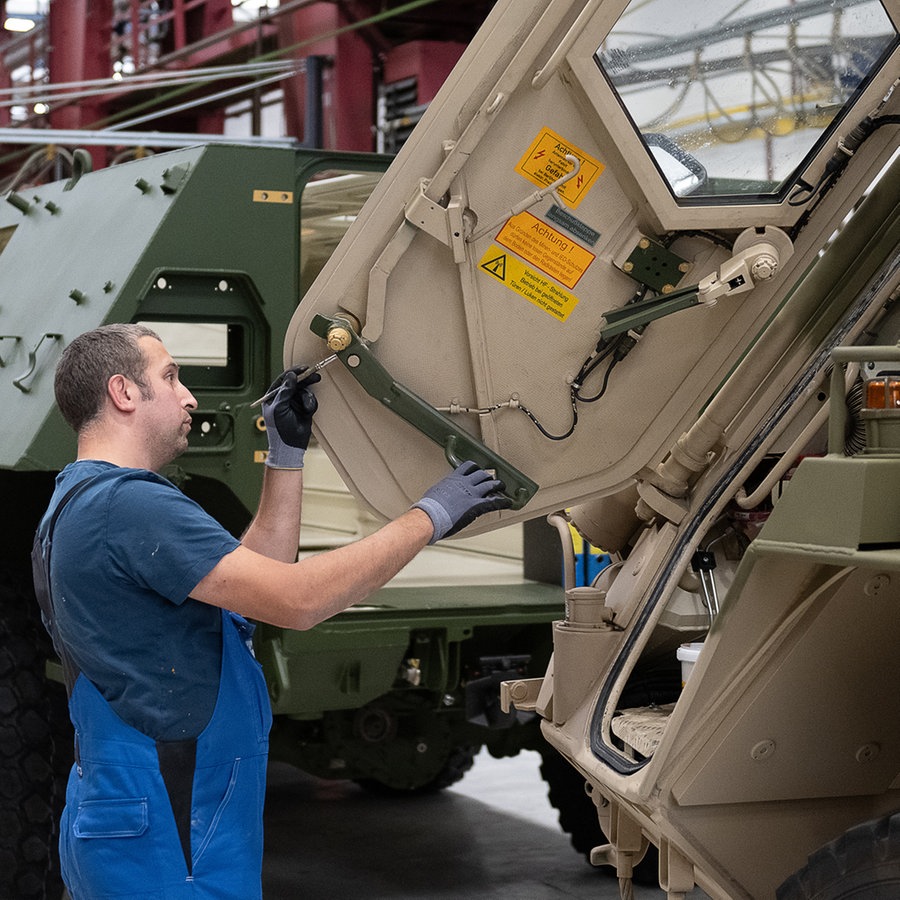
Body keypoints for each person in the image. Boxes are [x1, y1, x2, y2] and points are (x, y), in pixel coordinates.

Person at [33, 323, 511, 899]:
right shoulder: (130, 505)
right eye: (170, 377)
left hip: (136, 817)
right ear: (123, 392)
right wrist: (431, 515)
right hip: (169, 835)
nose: (189, 397)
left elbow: (262, 584)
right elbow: (299, 599)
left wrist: (285, 455)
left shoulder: (76, 502)